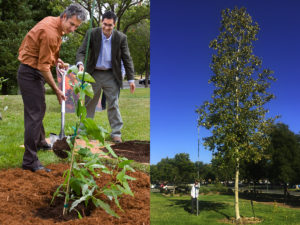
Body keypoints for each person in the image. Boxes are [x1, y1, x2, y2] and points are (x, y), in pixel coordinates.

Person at [17, 4, 86, 172]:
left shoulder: (52, 22)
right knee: (35, 115)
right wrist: (57, 90)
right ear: (64, 17)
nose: (73, 29)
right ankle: (30, 161)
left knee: (39, 109)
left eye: (76, 27)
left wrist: (57, 60)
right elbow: (43, 66)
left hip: (33, 70)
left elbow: (45, 52)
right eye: (71, 24)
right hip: (31, 72)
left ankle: (40, 142)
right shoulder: (50, 32)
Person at [76, 11, 135, 143]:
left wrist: (131, 79)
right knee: (88, 102)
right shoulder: (92, 33)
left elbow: (127, 58)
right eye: (104, 24)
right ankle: (82, 131)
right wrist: (80, 63)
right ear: (101, 22)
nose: (106, 28)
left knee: (113, 103)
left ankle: (116, 133)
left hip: (111, 74)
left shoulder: (121, 38)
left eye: (109, 25)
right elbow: (81, 51)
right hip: (94, 73)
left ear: (114, 25)